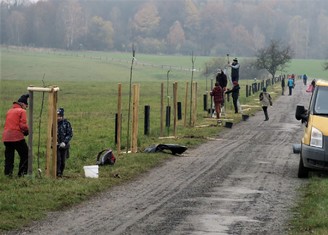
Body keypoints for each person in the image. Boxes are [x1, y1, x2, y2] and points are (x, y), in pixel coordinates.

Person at [2, 94, 29, 177]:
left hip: (6, 138)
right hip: (17, 137)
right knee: (25, 154)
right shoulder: (22, 111)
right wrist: (27, 130)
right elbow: (22, 125)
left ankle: (8, 174)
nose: (26, 107)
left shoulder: (9, 111)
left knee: (9, 157)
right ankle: (22, 174)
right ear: (23, 104)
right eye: (26, 106)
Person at [56, 107, 73, 177]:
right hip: (56, 145)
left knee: (63, 161)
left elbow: (70, 134)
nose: (58, 118)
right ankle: (57, 173)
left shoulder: (66, 123)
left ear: (62, 116)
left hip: (64, 145)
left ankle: (61, 173)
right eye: (57, 116)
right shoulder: (54, 123)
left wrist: (65, 142)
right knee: (58, 160)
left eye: (59, 116)